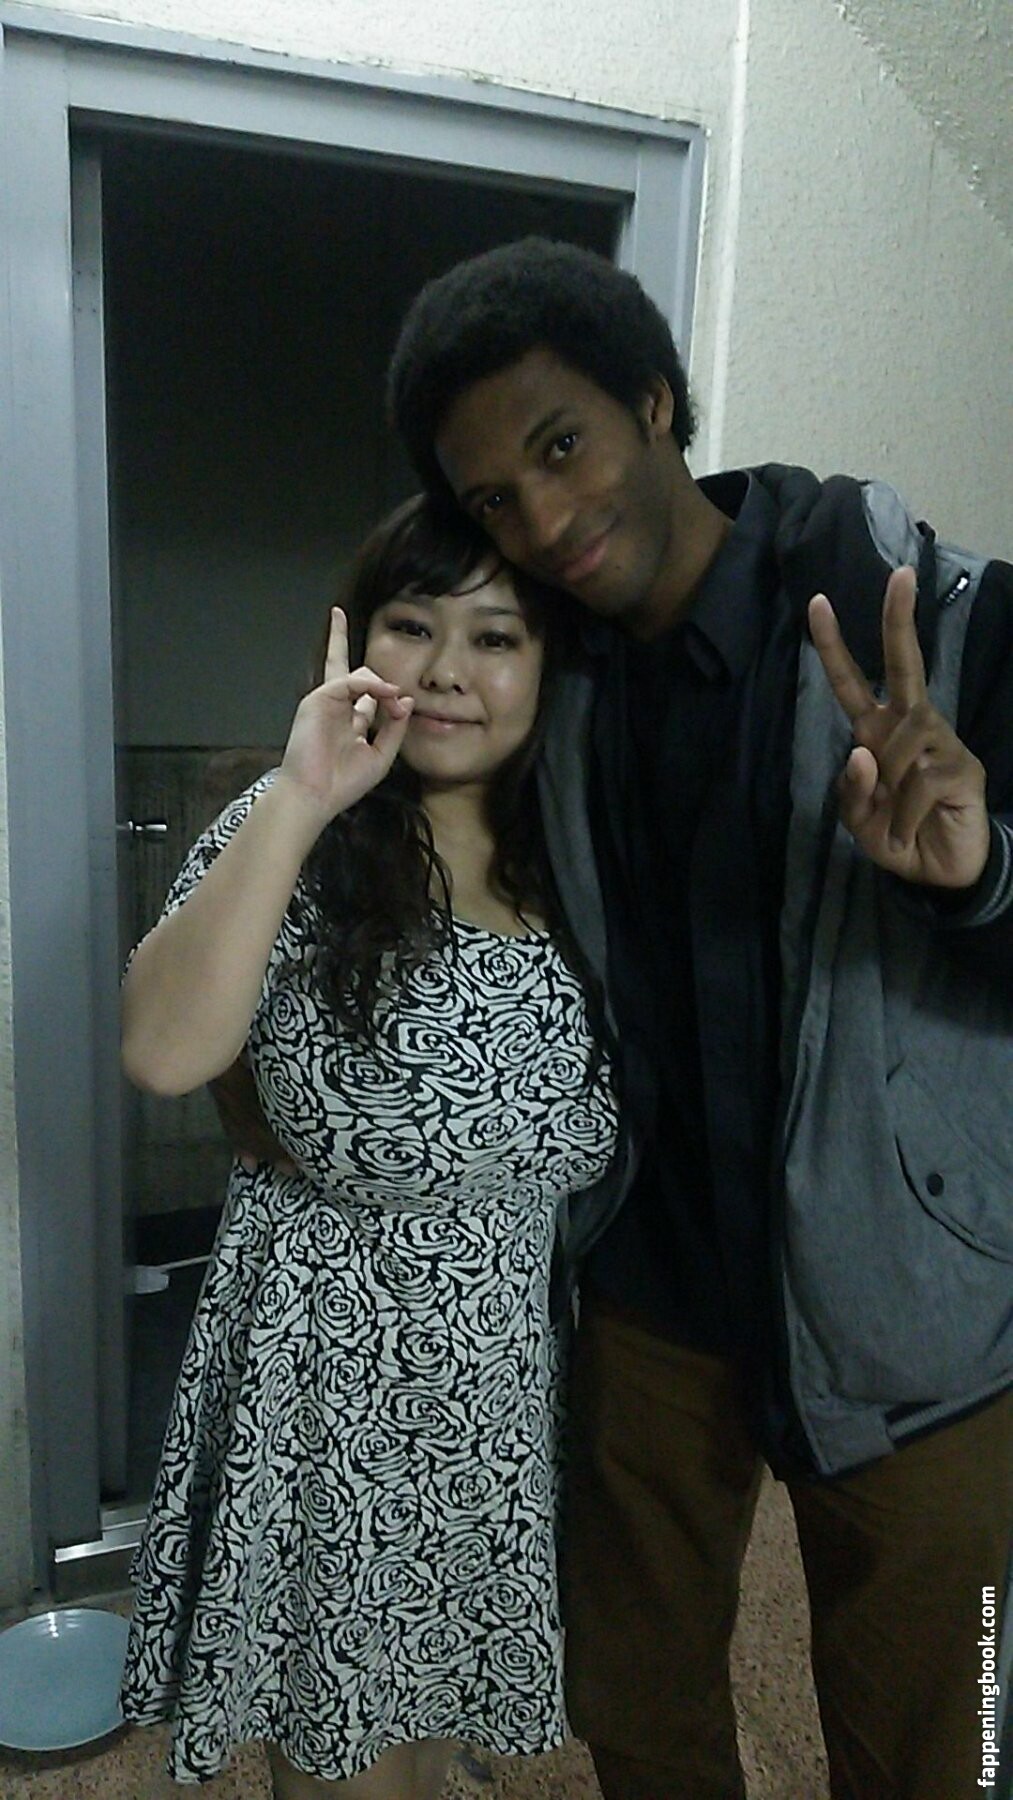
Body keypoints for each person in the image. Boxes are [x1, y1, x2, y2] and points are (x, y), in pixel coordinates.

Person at [386, 237, 1013, 1800]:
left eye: (561, 447)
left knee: (945, 1737)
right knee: (634, 1700)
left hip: (918, 1314)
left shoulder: (947, 628)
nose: (544, 522)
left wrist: (980, 875)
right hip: (649, 1292)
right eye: (493, 500)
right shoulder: (542, 682)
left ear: (654, 403)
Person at [118, 494, 620, 1799]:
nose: (448, 668)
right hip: (334, 1366)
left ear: (548, 665)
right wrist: (300, 799)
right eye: (413, 624)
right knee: (342, 1739)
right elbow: (163, 1052)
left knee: (435, 1706)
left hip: (506, 1356)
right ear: (357, 641)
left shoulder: (580, 856)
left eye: (495, 636)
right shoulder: (298, 828)